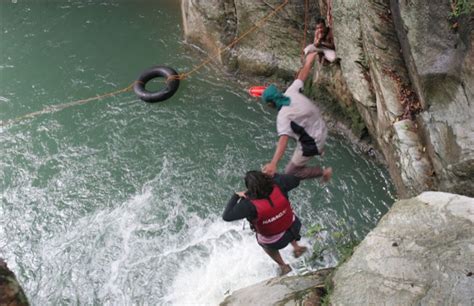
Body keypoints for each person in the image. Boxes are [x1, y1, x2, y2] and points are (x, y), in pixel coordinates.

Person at [261, 52, 332, 181]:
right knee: (295, 128)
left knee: (290, 172)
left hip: (314, 142)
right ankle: (319, 149)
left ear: (271, 104)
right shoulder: (291, 91)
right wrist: (309, 61)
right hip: (321, 127)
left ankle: (324, 172)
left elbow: (283, 142)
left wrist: (273, 163)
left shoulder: (283, 116)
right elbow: (302, 75)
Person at [222, 171, 307, 276]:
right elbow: (296, 179)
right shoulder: (279, 184)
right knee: (283, 219)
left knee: (264, 241)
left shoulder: (248, 205)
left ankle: (283, 266)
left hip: (276, 242)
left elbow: (226, 216)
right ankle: (296, 247)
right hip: (294, 227)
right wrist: (276, 176)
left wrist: (236, 196)